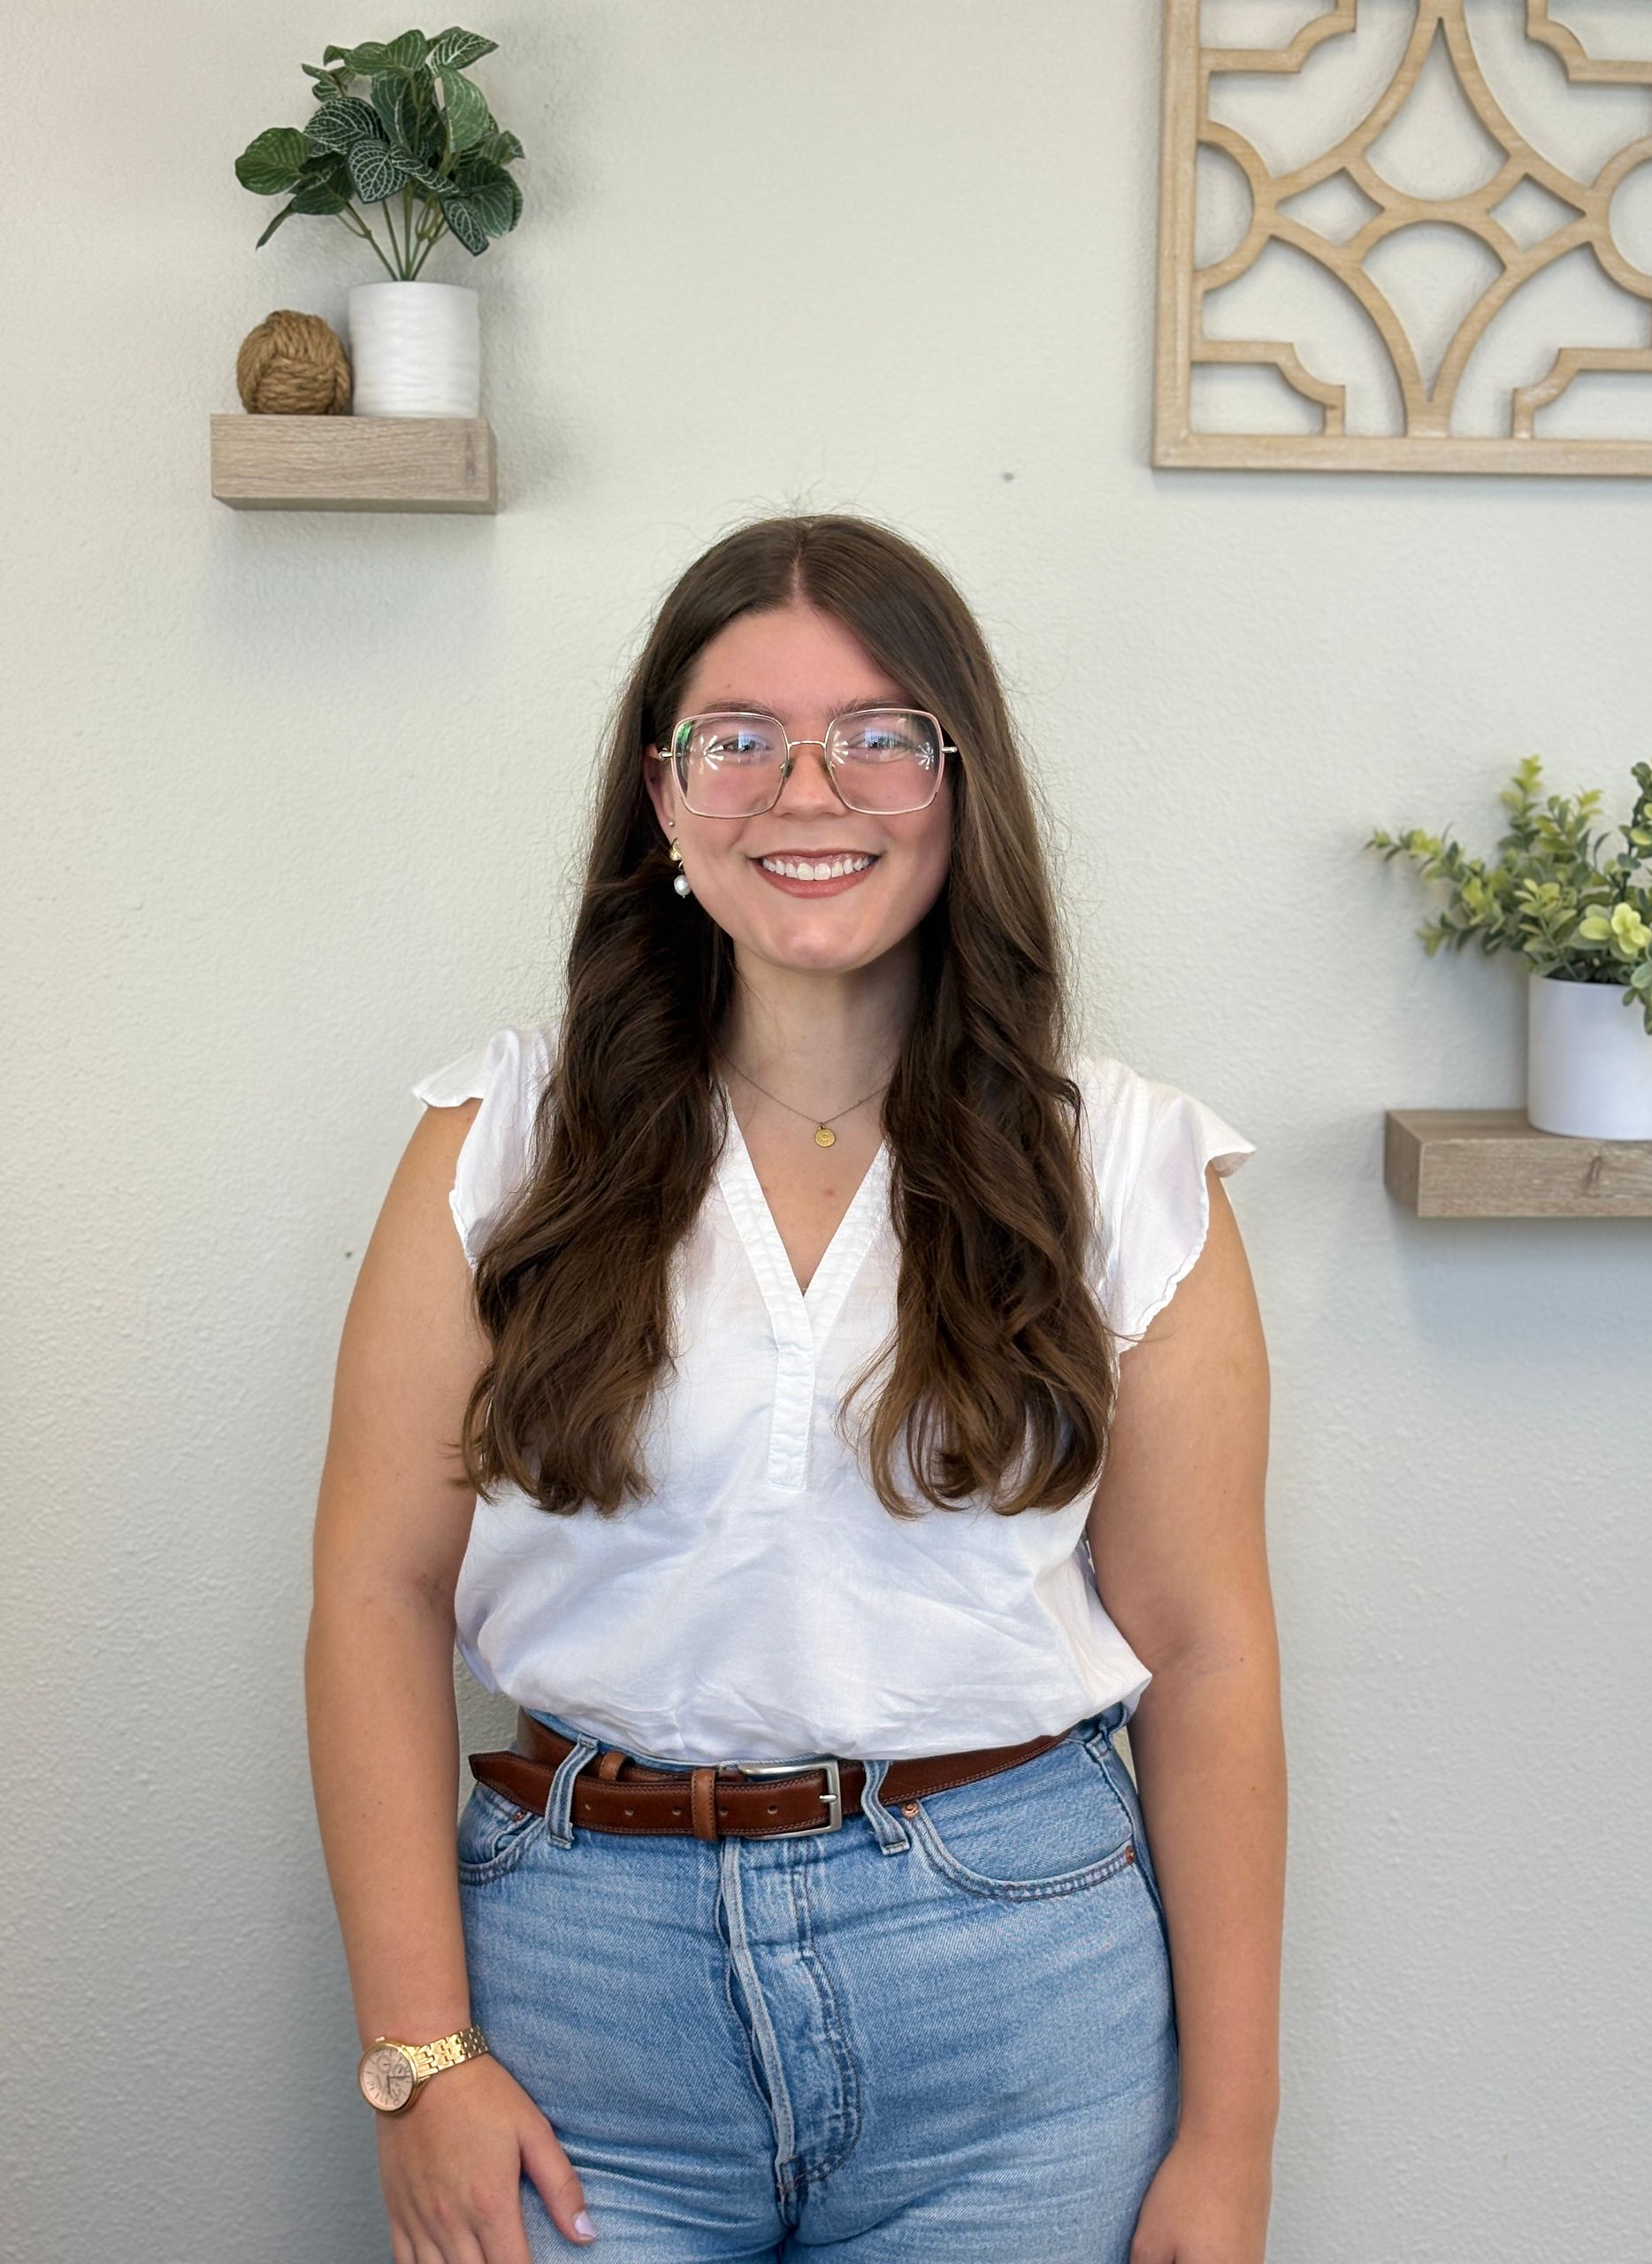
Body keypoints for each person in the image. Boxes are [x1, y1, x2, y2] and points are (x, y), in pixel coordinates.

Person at [306, 511, 1282, 2264]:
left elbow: (1209, 1656)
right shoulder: (494, 1144)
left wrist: (1229, 2142)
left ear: (957, 785)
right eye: (739, 737)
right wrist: (416, 2048)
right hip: (578, 1998)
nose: (807, 788)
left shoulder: (1127, 1164)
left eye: (879, 734)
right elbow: (376, 1595)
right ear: (665, 797)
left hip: (1015, 1993)